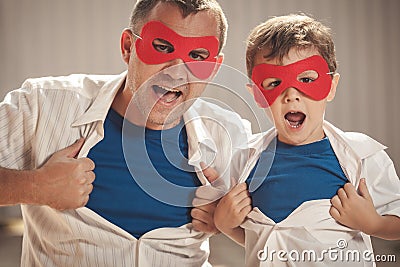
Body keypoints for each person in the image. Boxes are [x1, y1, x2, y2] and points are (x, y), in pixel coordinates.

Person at [0, 0, 254, 266]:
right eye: (162, 47)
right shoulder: (42, 106)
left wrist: (229, 223)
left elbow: (287, 237)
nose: (177, 71)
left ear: (213, 67)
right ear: (128, 47)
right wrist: (36, 187)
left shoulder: (230, 135)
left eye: (198, 56)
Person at [213, 14, 400, 266]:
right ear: (257, 95)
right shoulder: (244, 162)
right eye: (274, 82)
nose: (291, 95)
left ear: (331, 86)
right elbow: (259, 241)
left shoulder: (362, 156)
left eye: (307, 80)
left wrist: (373, 224)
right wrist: (224, 224)